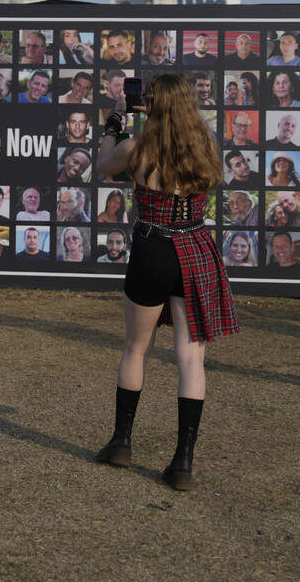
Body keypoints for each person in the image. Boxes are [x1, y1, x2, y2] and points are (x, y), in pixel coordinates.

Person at [92, 72, 238, 491]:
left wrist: (114, 123)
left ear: (149, 105)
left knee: (136, 348)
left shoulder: (134, 149)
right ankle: (183, 464)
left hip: (152, 249)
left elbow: (104, 165)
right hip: (194, 248)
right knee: (191, 360)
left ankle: (121, 443)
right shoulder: (205, 145)